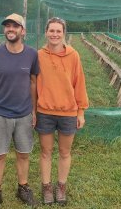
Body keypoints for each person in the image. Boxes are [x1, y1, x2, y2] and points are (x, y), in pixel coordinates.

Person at [0, 13, 39, 209]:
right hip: (0, 113)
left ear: (23, 31)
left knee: (23, 153)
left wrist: (34, 110)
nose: (10, 29)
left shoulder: (31, 54)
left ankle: (23, 188)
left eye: (15, 26)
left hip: (23, 114)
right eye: (7, 26)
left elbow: (33, 82)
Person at [35, 17, 89, 206]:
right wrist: (33, 110)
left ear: (63, 33)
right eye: (52, 31)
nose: (55, 34)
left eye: (58, 31)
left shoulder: (73, 56)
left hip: (68, 112)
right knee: (45, 152)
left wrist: (81, 111)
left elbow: (79, 83)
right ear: (46, 32)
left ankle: (61, 186)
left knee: (65, 152)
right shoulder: (39, 55)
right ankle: (46, 186)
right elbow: (33, 84)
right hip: (45, 111)